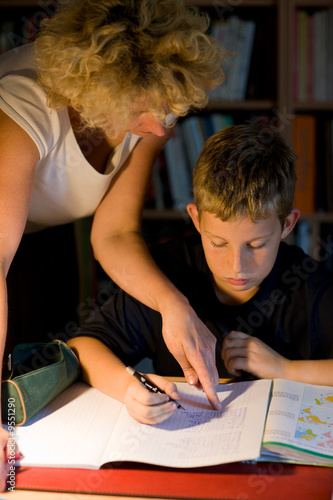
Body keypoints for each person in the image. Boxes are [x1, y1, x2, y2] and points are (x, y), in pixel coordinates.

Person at [0, 0, 225, 489]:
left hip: (47, 236)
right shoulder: (24, 102)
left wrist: (175, 306)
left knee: (47, 381)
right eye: (145, 110)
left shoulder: (156, 106)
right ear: (97, 90)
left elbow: (115, 233)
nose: (160, 127)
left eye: (169, 110)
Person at [67, 119, 333, 425]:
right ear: (196, 219)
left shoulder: (307, 283)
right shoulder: (164, 273)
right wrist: (128, 388)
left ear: (287, 225)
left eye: (257, 245)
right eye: (218, 243)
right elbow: (82, 346)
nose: (237, 265)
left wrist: (285, 370)